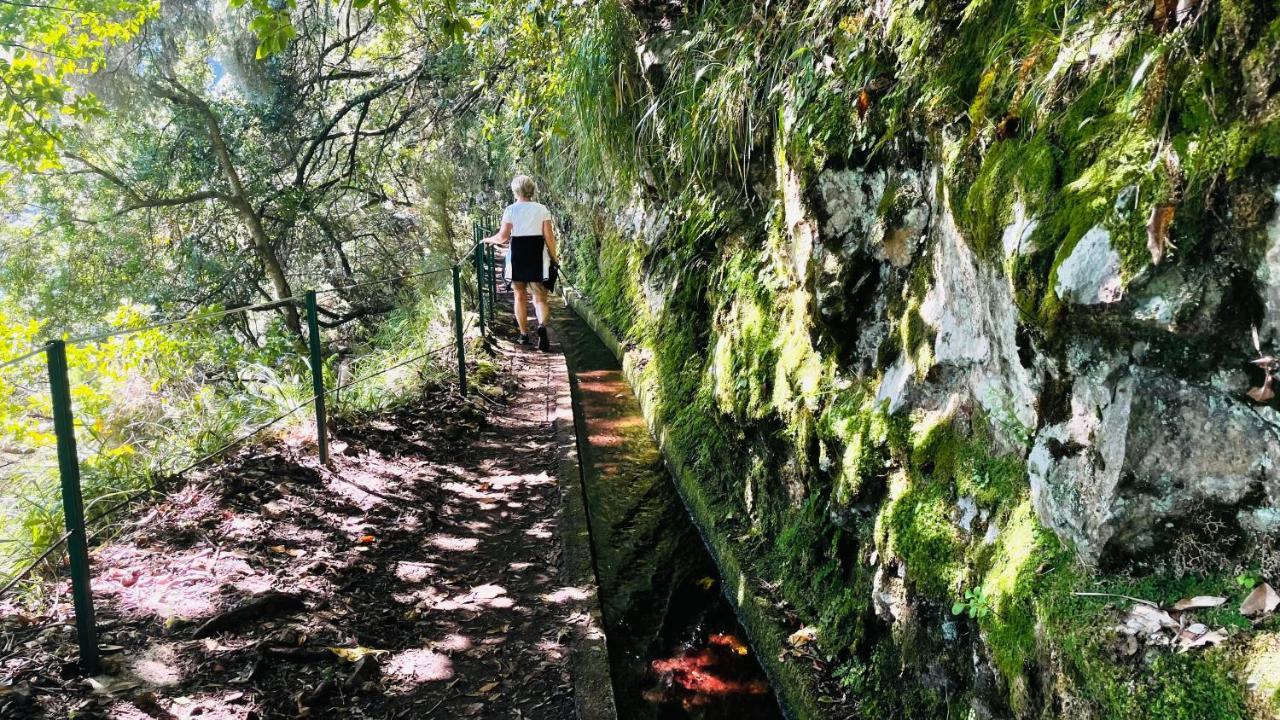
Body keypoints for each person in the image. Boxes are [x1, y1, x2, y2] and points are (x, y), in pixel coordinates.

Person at [483, 175, 559, 351]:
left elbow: (502, 237)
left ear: (516, 191)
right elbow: (549, 236)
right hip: (537, 256)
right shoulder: (542, 209)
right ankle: (542, 326)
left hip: (517, 255)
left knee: (519, 296)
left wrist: (487, 240)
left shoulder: (510, 210)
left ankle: (524, 335)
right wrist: (554, 257)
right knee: (540, 298)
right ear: (531, 189)